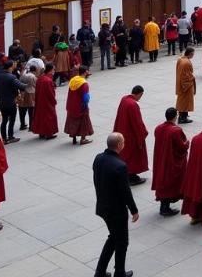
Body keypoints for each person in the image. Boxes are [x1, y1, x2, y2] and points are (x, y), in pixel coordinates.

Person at [93, 132, 139, 277]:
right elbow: (125, 192)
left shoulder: (98, 158)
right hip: (116, 211)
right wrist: (134, 210)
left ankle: (100, 272)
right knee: (122, 242)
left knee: (113, 238)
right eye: (123, 142)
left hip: (102, 207)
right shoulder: (120, 166)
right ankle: (119, 273)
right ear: (119, 145)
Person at [152, 107, 189, 216]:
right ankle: (165, 208)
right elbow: (182, 146)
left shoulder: (158, 128)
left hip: (160, 160)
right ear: (175, 117)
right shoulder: (176, 130)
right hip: (171, 161)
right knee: (170, 183)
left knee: (163, 182)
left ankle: (163, 206)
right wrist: (188, 143)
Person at [113, 86, 149, 185]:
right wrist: (143, 134)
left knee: (125, 154)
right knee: (133, 156)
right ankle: (131, 176)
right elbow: (137, 123)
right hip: (131, 136)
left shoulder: (124, 99)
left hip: (122, 132)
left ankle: (127, 174)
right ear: (140, 94)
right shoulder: (133, 105)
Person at [0, 60, 25, 144]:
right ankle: (10, 136)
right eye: (14, 64)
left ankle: (4, 139)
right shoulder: (11, 77)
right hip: (11, 101)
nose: (15, 65)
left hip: (1, 101)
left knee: (4, 120)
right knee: (12, 119)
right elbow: (21, 86)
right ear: (10, 67)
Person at [65, 65, 93, 145]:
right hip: (80, 106)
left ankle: (74, 138)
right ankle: (83, 139)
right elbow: (85, 97)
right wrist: (86, 105)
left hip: (71, 105)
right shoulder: (84, 84)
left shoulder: (73, 80)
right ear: (85, 72)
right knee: (83, 122)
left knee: (73, 121)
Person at [31, 63, 58, 139]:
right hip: (47, 102)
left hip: (40, 101)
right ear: (51, 70)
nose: (54, 71)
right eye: (53, 69)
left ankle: (41, 132)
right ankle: (49, 133)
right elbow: (50, 93)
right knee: (49, 117)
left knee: (41, 117)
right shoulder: (48, 80)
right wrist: (54, 101)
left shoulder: (41, 78)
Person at [175, 47, 196, 124]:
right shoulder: (186, 62)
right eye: (193, 54)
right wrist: (192, 77)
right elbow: (186, 76)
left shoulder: (181, 59)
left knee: (182, 101)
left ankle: (184, 115)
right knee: (185, 101)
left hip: (181, 83)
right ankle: (182, 118)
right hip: (186, 85)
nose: (193, 55)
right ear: (190, 54)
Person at [17, 64, 37, 131]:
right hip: (31, 94)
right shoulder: (33, 76)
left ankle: (22, 125)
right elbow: (35, 85)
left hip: (22, 93)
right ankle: (31, 126)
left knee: (22, 111)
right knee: (31, 111)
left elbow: (19, 83)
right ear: (35, 70)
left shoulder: (23, 75)